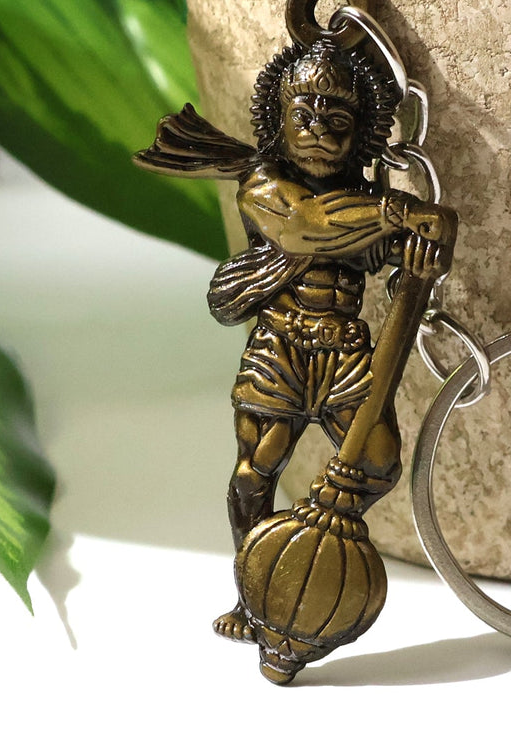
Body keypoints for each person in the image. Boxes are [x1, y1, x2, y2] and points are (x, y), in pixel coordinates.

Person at [136, 38, 455, 642]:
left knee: (380, 464)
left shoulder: (366, 198)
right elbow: (305, 227)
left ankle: (310, 540)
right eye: (302, 115)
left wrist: (425, 246)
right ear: (277, 123)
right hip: (279, 347)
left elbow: (401, 250)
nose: (317, 133)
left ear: (360, 133)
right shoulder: (263, 186)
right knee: (253, 475)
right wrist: (399, 213)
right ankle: (251, 595)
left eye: (337, 121)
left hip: (345, 353)